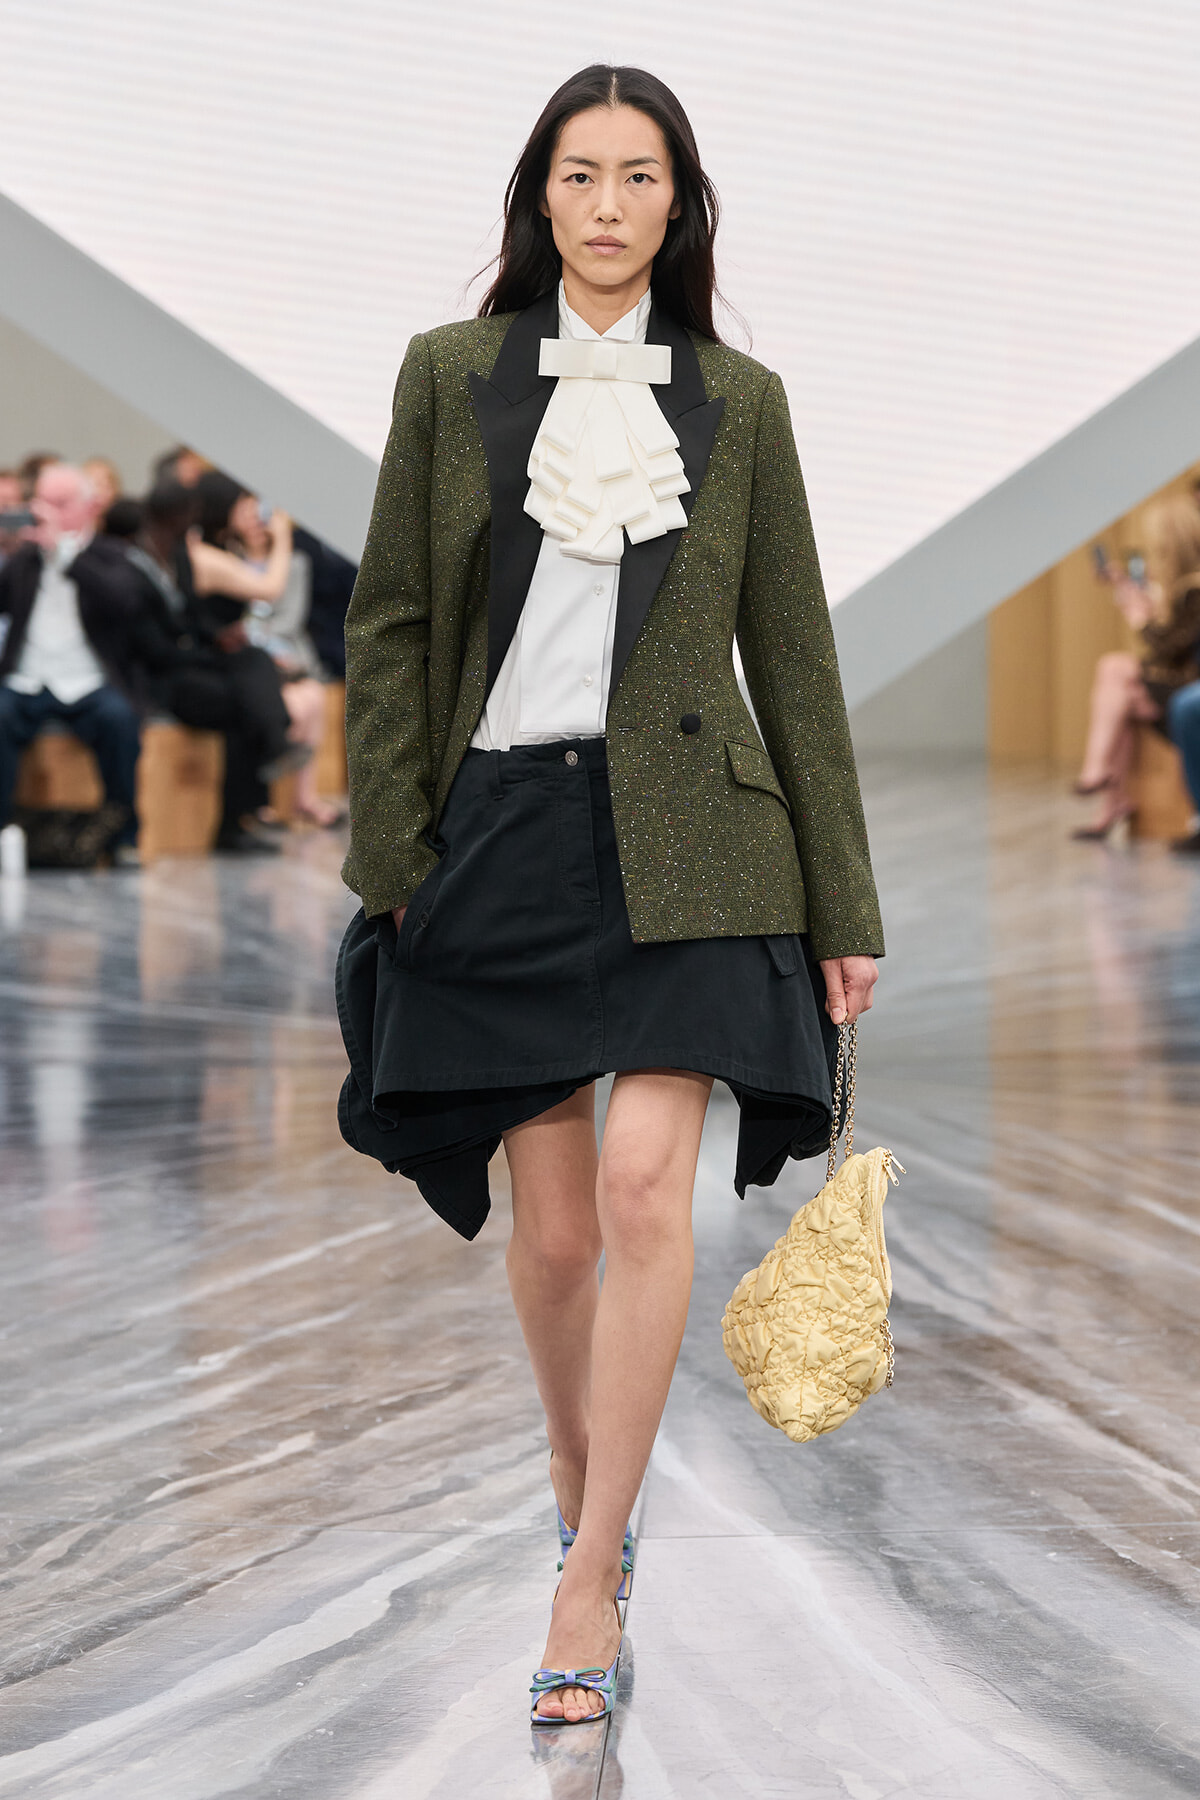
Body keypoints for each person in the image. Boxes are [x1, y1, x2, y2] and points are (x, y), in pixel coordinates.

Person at [336, 66, 883, 1727]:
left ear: (677, 204)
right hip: (500, 829)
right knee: (558, 1228)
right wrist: (394, 857)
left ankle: (585, 1577)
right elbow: (393, 628)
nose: (606, 205)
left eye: (639, 177)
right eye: (579, 174)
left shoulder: (744, 398)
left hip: (700, 842)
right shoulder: (450, 378)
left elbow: (792, 649)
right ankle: (593, 1493)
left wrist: (843, 902)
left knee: (652, 1190)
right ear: (541, 196)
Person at [122, 479, 302, 852]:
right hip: (167, 673)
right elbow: (159, 640)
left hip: (193, 656)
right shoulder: (164, 558)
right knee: (241, 700)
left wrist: (214, 637)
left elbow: (187, 618)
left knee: (253, 662)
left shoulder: (182, 556)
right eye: (244, 505)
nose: (252, 514)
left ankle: (265, 765)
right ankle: (269, 756)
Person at [0, 463, 142, 860]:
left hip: (88, 681)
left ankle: (124, 836)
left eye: (60, 504)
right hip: (27, 680)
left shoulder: (110, 553)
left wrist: (62, 552)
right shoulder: (25, 559)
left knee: (120, 722)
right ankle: (4, 830)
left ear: (87, 507)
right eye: (41, 503)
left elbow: (122, 604)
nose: (48, 513)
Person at [1073, 496, 1200, 839]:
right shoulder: (1180, 590)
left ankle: (1099, 779)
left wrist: (1141, 621)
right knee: (1118, 686)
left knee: (1115, 673)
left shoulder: (1195, 590)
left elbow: (1174, 652)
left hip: (1187, 686)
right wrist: (1130, 591)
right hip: (1178, 685)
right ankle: (1111, 798)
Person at [234, 504, 346, 826]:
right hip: (252, 655)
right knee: (292, 706)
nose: (257, 523)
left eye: (262, 516)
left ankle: (303, 797)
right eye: (249, 515)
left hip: (288, 654)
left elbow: (290, 618)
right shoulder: (229, 560)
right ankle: (266, 800)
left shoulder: (294, 563)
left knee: (313, 695)